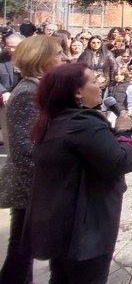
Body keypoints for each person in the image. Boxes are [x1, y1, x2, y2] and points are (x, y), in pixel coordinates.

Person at [22, 64, 132, 284]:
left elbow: (95, 154)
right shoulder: (83, 123)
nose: (100, 86)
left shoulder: (54, 120)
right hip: (84, 227)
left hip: (60, 220)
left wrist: (119, 144)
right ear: (77, 92)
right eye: (94, 82)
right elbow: (119, 161)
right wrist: (124, 132)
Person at [0, 35, 65, 283]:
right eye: (58, 53)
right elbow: (25, 150)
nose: (64, 57)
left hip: (38, 186)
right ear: (42, 59)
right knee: (21, 248)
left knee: (22, 247)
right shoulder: (28, 93)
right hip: (31, 187)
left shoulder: (40, 89)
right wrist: (45, 191)